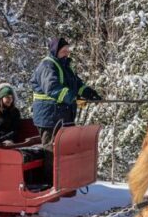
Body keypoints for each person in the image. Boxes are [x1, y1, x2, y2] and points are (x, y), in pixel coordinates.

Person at [31, 37, 101, 181]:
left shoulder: (65, 66)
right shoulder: (47, 66)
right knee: (51, 150)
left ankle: (63, 180)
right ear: (55, 51)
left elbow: (76, 84)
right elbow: (52, 88)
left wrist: (88, 92)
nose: (67, 53)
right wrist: (73, 98)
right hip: (49, 117)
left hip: (63, 116)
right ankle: (50, 182)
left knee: (65, 150)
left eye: (68, 50)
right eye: (64, 50)